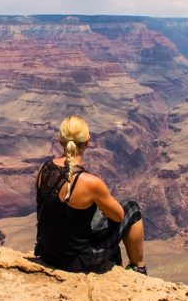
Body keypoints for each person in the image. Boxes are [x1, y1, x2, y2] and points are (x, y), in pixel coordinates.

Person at [34, 115, 147, 275]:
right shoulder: (89, 182)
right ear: (87, 141)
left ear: (60, 141)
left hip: (48, 254)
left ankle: (118, 263)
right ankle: (139, 268)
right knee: (132, 208)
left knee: (94, 220)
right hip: (76, 260)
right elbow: (118, 217)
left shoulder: (43, 170)